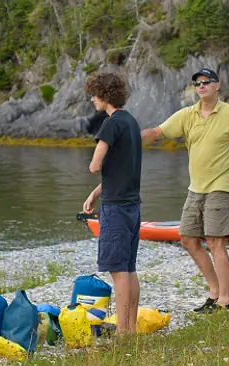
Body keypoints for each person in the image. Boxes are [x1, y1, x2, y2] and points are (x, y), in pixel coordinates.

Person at [141, 68, 229, 313]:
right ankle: (214, 293)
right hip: (196, 189)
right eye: (197, 83)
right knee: (188, 240)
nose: (201, 86)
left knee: (216, 241)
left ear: (217, 86)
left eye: (206, 82)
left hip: (221, 187)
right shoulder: (187, 115)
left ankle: (225, 301)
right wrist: (127, 139)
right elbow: (156, 132)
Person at [80, 72, 141, 336]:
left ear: (105, 95)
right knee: (129, 267)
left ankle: (123, 332)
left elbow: (95, 165)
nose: (92, 98)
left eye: (94, 93)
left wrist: (95, 166)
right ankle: (131, 325)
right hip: (132, 204)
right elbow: (121, 168)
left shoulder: (110, 124)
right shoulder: (131, 123)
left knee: (118, 271)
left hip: (115, 207)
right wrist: (95, 194)